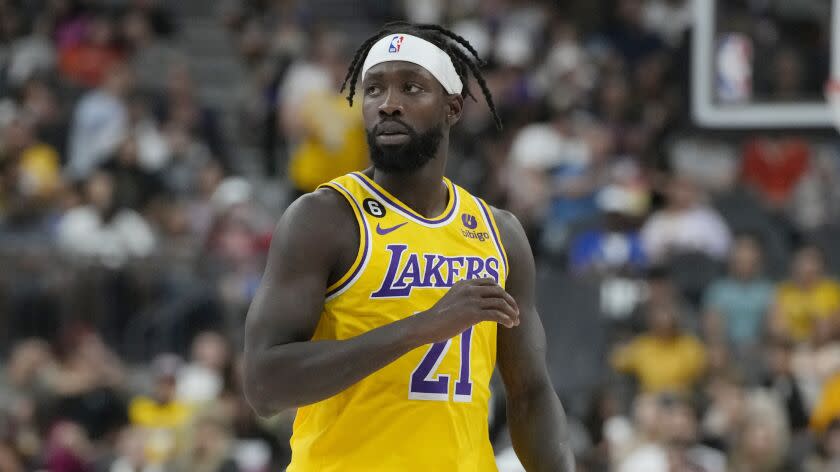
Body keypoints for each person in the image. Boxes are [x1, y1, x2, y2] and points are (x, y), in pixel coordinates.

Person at [243, 21, 573, 471]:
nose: (388, 105)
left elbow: (531, 393)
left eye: (411, 88)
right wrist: (427, 325)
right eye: (374, 90)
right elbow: (265, 386)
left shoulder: (500, 233)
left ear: (452, 107)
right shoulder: (324, 218)